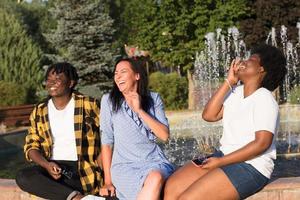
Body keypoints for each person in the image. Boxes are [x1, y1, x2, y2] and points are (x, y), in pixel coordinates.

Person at [164, 44, 287, 200]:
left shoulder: (264, 99)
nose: (243, 61)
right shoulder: (236, 92)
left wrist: (221, 161)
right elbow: (209, 115)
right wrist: (229, 81)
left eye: (251, 59)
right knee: (172, 187)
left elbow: (262, 144)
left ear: (261, 69)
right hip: (225, 156)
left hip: (251, 167)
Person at [16, 62, 103, 200]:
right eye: (49, 80)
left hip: (83, 170)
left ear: (71, 83)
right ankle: (78, 198)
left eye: (57, 79)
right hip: (53, 168)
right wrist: (46, 164)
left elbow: (107, 137)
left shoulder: (89, 104)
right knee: (23, 176)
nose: (51, 83)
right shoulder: (39, 110)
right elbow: (31, 146)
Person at [99, 57, 174, 200]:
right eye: (116, 73)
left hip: (154, 162)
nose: (118, 76)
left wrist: (139, 110)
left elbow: (164, 135)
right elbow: (107, 142)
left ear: (137, 75)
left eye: (123, 71)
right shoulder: (108, 101)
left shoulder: (153, 99)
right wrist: (108, 181)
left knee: (155, 177)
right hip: (123, 167)